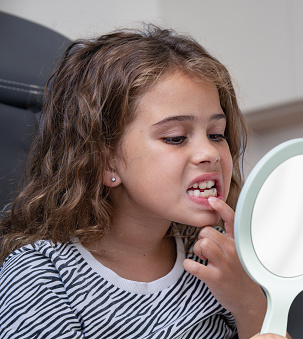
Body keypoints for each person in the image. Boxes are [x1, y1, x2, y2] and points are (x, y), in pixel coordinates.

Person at [0, 24, 271, 339]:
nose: (209, 152)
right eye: (175, 138)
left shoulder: (218, 263)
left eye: (216, 134)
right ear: (105, 161)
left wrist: (250, 303)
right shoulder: (43, 275)